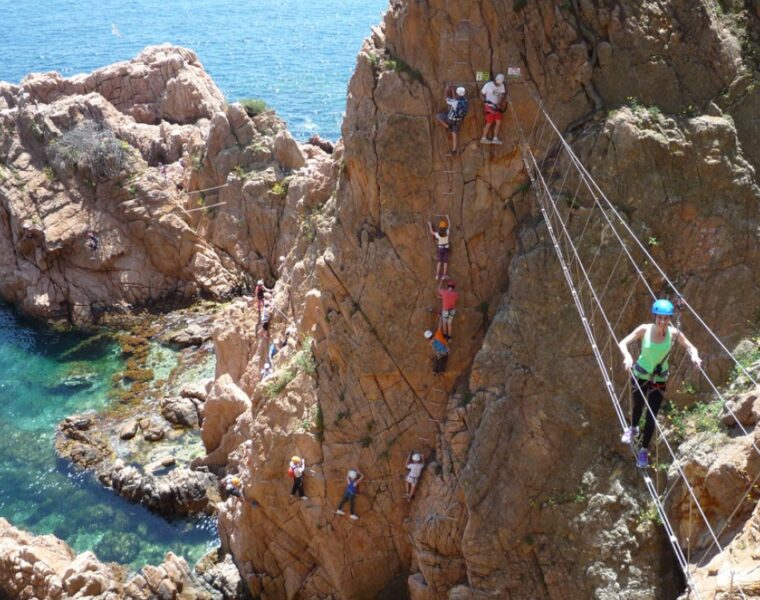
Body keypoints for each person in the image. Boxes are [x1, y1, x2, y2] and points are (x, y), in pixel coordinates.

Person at [618, 299, 702, 468]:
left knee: (651, 416)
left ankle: (643, 451)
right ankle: (633, 428)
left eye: (666, 318)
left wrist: (694, 356)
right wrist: (627, 357)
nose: (663, 321)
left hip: (658, 378)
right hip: (640, 374)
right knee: (638, 406)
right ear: (654, 316)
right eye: (660, 317)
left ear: (670, 318)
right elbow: (623, 343)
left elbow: (691, 347)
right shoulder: (645, 329)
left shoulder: (674, 333)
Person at [436, 85, 469, 155]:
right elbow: (456, 99)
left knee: (438, 116)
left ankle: (447, 126)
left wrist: (446, 90)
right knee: (454, 134)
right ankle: (454, 150)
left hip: (450, 119)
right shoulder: (465, 101)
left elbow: (447, 99)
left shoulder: (455, 102)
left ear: (457, 94)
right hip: (458, 120)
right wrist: (453, 90)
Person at [480, 73, 507, 144]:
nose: (498, 85)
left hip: (496, 106)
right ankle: (483, 137)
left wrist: (498, 103)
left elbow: (501, 95)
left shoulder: (502, 86)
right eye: (497, 84)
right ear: (495, 80)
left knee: (498, 122)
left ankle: (495, 138)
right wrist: (485, 101)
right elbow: (481, 94)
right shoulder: (488, 85)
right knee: (489, 122)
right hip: (489, 106)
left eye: (499, 84)